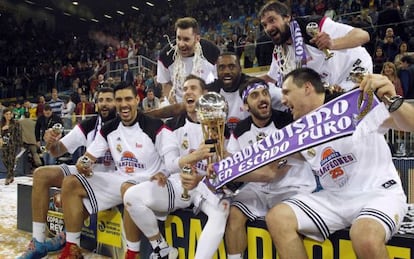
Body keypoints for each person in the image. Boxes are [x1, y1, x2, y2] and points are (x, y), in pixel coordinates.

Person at [266, 67, 407, 259]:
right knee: (278, 217)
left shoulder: (354, 105)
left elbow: (408, 124)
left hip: (377, 193)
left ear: (307, 88)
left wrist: (393, 101)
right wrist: (224, 170)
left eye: (286, 92)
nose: (282, 100)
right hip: (333, 199)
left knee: (365, 237)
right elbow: (269, 170)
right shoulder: (298, 132)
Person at [57, 82, 176, 259]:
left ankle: (132, 253)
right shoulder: (109, 129)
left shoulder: (155, 126)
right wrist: (83, 164)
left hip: (150, 181)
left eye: (128, 98)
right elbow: (88, 157)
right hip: (121, 178)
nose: (123, 104)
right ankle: (72, 247)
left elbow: (172, 161)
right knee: (70, 182)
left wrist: (164, 173)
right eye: (119, 100)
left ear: (137, 100)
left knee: (129, 189)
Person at [123, 75, 229, 259]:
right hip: (180, 183)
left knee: (222, 211)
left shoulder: (221, 125)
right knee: (131, 196)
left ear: (204, 94)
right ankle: (162, 248)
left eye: (193, 88)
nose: (187, 91)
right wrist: (164, 171)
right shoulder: (172, 126)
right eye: (185, 89)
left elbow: (228, 165)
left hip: (207, 185)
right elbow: (171, 162)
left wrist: (202, 178)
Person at [18, 87, 117, 259]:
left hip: (110, 178)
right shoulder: (88, 125)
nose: (104, 104)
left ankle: (66, 238)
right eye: (101, 100)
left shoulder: (124, 124)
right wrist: (50, 142)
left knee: (73, 184)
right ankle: (38, 242)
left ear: (116, 102)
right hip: (87, 173)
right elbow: (57, 151)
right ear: (96, 104)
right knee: (41, 174)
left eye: (109, 100)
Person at [224, 77, 316, 259]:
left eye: (265, 93)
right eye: (255, 96)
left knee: (280, 219)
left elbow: (308, 155)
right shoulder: (240, 130)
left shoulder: (289, 121)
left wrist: (279, 153)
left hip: (292, 187)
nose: (262, 99)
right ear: (245, 106)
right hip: (258, 189)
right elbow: (233, 167)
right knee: (233, 214)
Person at [258, 1, 372, 91]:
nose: (268, 28)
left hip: (354, 68)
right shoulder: (280, 53)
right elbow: (271, 78)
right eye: (264, 25)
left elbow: (363, 35)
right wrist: (245, 82)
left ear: (287, 17)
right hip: (334, 86)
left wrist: (332, 43)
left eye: (272, 20)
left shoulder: (311, 26)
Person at [157, 17, 220, 104]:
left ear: (197, 39)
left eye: (186, 39)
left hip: (205, 101)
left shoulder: (211, 52)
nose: (181, 44)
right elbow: (165, 82)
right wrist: (173, 102)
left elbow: (219, 80)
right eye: (178, 38)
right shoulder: (167, 54)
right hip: (179, 102)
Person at [0, 108, 22, 185]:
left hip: (13, 143)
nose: (9, 116)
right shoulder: (1, 123)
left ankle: (8, 177)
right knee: (4, 159)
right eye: (7, 114)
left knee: (11, 159)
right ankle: (11, 174)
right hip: (4, 143)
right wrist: (2, 129)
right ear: (4, 115)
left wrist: (20, 143)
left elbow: (19, 133)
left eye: (10, 114)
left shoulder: (16, 122)